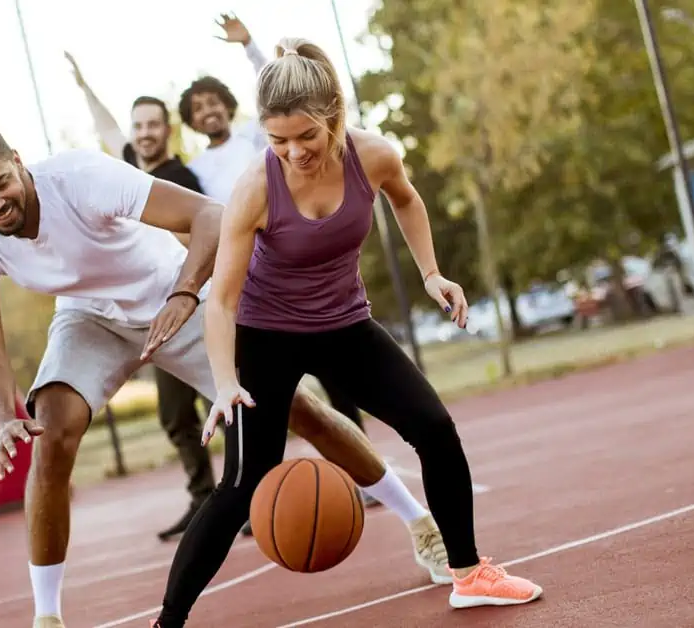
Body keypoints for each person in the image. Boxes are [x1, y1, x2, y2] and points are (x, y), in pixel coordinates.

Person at [0, 119, 451, 628]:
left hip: (173, 294)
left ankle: (420, 522)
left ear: (18, 162)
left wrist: (186, 293)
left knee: (298, 409)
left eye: (0, 183)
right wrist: (3, 416)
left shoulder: (81, 178)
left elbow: (209, 215)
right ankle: (46, 616)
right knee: (50, 433)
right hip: (90, 319)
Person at [149, 39, 544, 627]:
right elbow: (223, 299)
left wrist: (432, 273)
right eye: (278, 140)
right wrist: (226, 380)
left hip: (343, 325)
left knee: (434, 429)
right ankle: (168, 622)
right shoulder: (256, 188)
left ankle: (469, 575)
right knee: (238, 486)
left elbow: (407, 202)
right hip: (264, 335)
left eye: (306, 136)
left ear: (333, 117)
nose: (293, 151)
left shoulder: (374, 156)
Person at [181, 14, 381, 513]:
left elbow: (284, 94)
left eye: (213, 103)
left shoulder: (261, 136)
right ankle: (249, 496)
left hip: (299, 259)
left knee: (339, 388)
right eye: (197, 107)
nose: (207, 112)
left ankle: (368, 476)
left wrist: (251, 46)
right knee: (258, 406)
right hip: (252, 276)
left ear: (229, 107)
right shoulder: (199, 168)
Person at [65, 50, 215, 541]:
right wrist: (85, 87)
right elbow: (108, 131)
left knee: (226, 405)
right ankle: (204, 500)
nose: (144, 132)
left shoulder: (183, 180)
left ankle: (247, 496)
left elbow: (204, 238)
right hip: (151, 315)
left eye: (153, 124)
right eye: (138, 125)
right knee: (174, 415)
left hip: (197, 309)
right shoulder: (128, 168)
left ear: (167, 130)